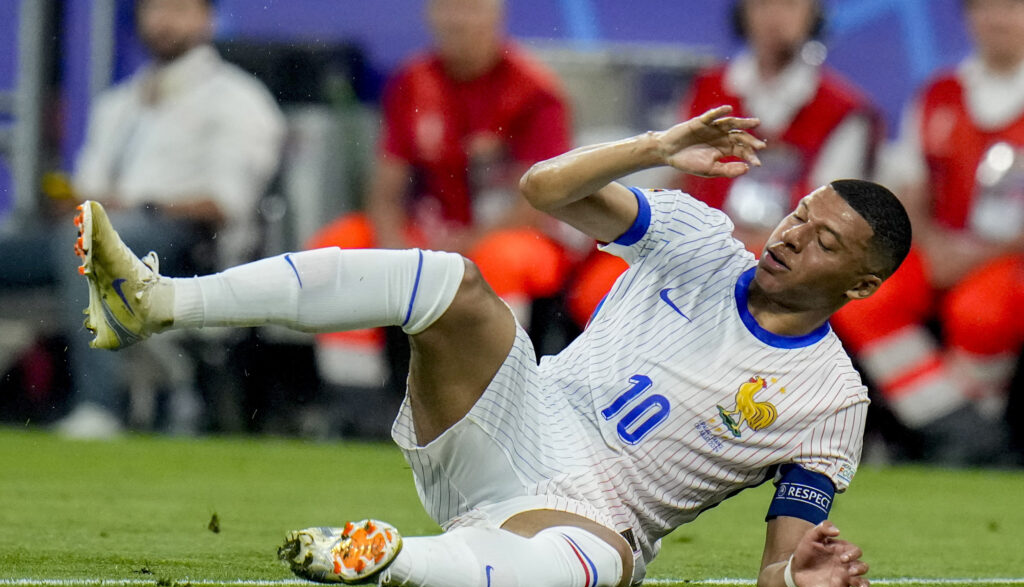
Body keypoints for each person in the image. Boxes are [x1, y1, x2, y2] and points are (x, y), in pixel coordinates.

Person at [74, 106, 910, 587]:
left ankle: (393, 555)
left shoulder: (830, 400)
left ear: (861, 283)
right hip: (516, 418)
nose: (794, 235)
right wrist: (657, 146)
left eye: (824, 240)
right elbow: (544, 190)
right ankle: (157, 302)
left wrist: (802, 578)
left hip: (594, 516)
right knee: (451, 281)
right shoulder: (700, 239)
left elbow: (776, 565)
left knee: (597, 567)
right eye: (801, 213)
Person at [44, 0, 285, 438]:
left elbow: (225, 204)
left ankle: (100, 407)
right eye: (152, 9)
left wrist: (136, 204)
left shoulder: (239, 100)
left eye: (178, 8)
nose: (162, 20)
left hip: (186, 241)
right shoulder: (118, 102)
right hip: (95, 229)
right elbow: (89, 187)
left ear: (207, 18)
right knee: (69, 237)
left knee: (87, 239)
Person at [563, 0, 881, 331]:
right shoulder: (706, 87)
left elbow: (829, 224)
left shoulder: (844, 111)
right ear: (743, 12)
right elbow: (672, 178)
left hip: (776, 259)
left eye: (789, 5)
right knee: (600, 289)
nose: (775, 17)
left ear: (814, 14)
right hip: (692, 242)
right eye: (763, 6)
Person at [312, 0, 573, 388]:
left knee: (499, 259)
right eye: (447, 8)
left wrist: (468, 244)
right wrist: (394, 252)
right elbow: (386, 190)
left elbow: (543, 199)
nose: (457, 21)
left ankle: (492, 391)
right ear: (429, 15)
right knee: (340, 245)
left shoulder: (535, 89)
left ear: (496, 15)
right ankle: (355, 399)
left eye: (470, 9)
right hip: (432, 232)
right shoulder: (412, 80)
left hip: (518, 235)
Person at [831, 0, 1024, 465]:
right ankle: (967, 433)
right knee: (865, 295)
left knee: (980, 312)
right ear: (968, 17)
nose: (998, 20)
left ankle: (956, 432)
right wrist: (934, 245)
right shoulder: (939, 92)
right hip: (939, 245)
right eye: (987, 9)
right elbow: (910, 185)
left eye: (1013, 9)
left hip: (1011, 257)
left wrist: (976, 256)